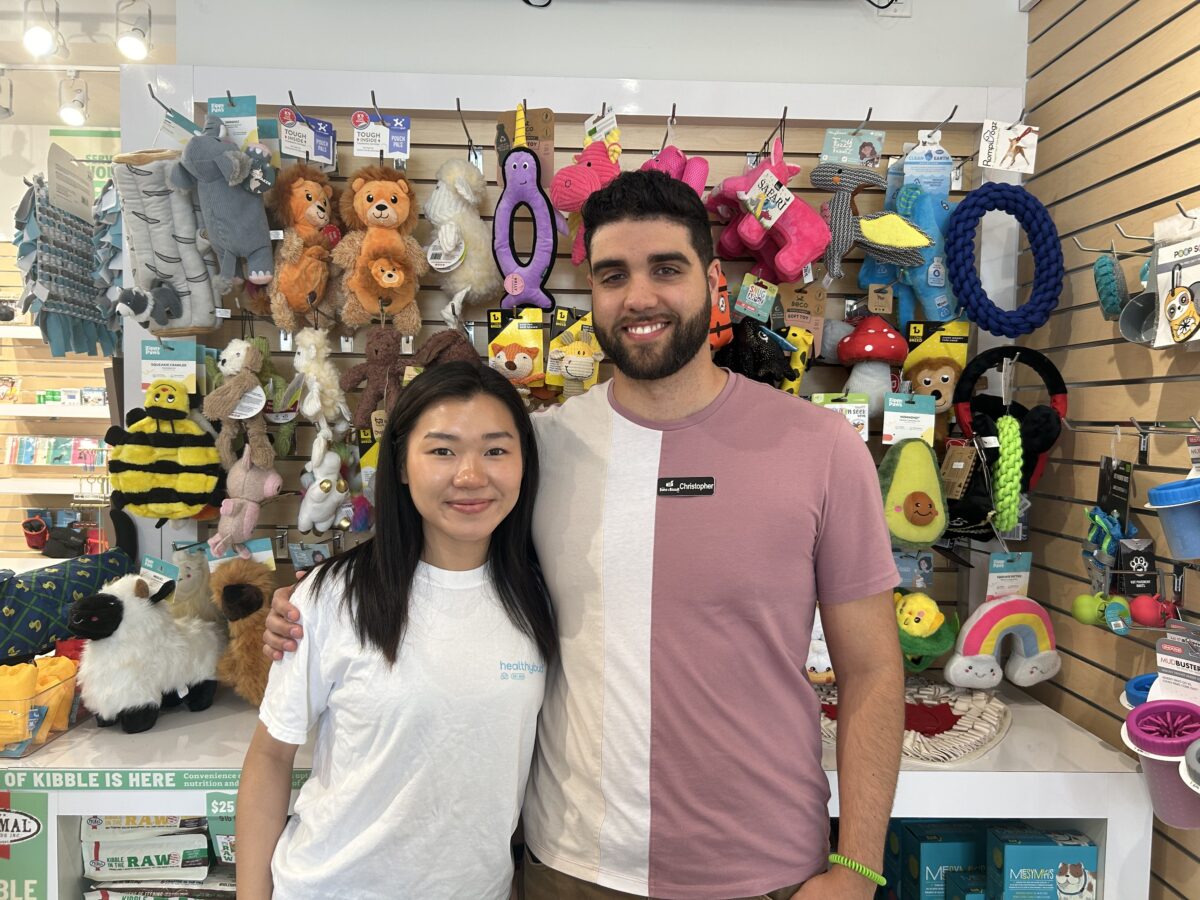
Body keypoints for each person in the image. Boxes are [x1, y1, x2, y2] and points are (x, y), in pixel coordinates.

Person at [265, 171, 905, 900]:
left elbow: (874, 672)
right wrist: (304, 610)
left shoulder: (820, 447)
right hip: (570, 869)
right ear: (589, 292)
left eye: (666, 268)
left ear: (713, 280)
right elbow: (430, 566)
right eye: (612, 275)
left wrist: (857, 867)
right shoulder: (537, 450)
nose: (639, 296)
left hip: (768, 874)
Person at [239, 361, 556, 900]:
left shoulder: (541, 599)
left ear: (524, 464)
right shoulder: (329, 597)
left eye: (496, 450)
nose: (471, 475)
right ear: (403, 464)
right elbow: (271, 756)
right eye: (442, 450)